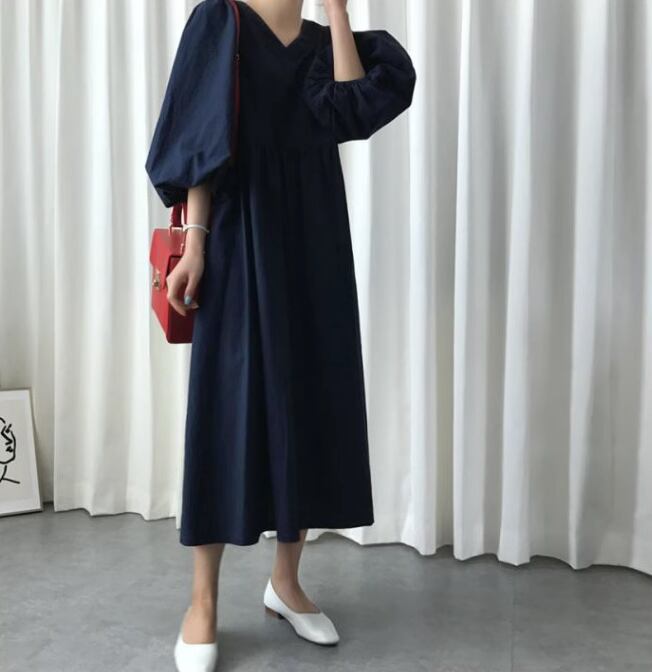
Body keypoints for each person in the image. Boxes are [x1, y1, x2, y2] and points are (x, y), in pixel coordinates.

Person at [145, 0, 416, 669]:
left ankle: (286, 583)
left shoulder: (325, 40)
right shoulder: (222, 20)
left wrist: (338, 12)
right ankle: (203, 600)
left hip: (315, 235)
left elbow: (352, 114)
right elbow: (200, 140)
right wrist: (196, 245)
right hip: (240, 232)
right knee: (226, 405)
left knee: (310, 401)